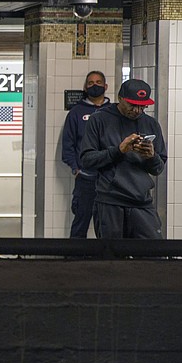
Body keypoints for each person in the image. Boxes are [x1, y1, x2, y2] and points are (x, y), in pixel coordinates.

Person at [80, 78, 167, 239]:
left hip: (142, 201)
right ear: (120, 98)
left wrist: (151, 157)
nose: (137, 110)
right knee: (112, 259)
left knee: (154, 256)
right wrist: (119, 151)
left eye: (142, 106)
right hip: (110, 201)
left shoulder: (151, 124)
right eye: (132, 105)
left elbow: (158, 168)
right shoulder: (99, 120)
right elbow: (87, 160)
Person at [61, 70, 113, 238]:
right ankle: (74, 259)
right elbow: (67, 146)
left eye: (98, 82)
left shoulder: (114, 112)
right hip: (85, 179)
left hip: (110, 180)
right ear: (85, 87)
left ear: (106, 86)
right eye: (90, 83)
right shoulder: (76, 113)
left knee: (109, 224)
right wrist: (76, 169)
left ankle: (109, 260)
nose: (94, 85)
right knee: (81, 222)